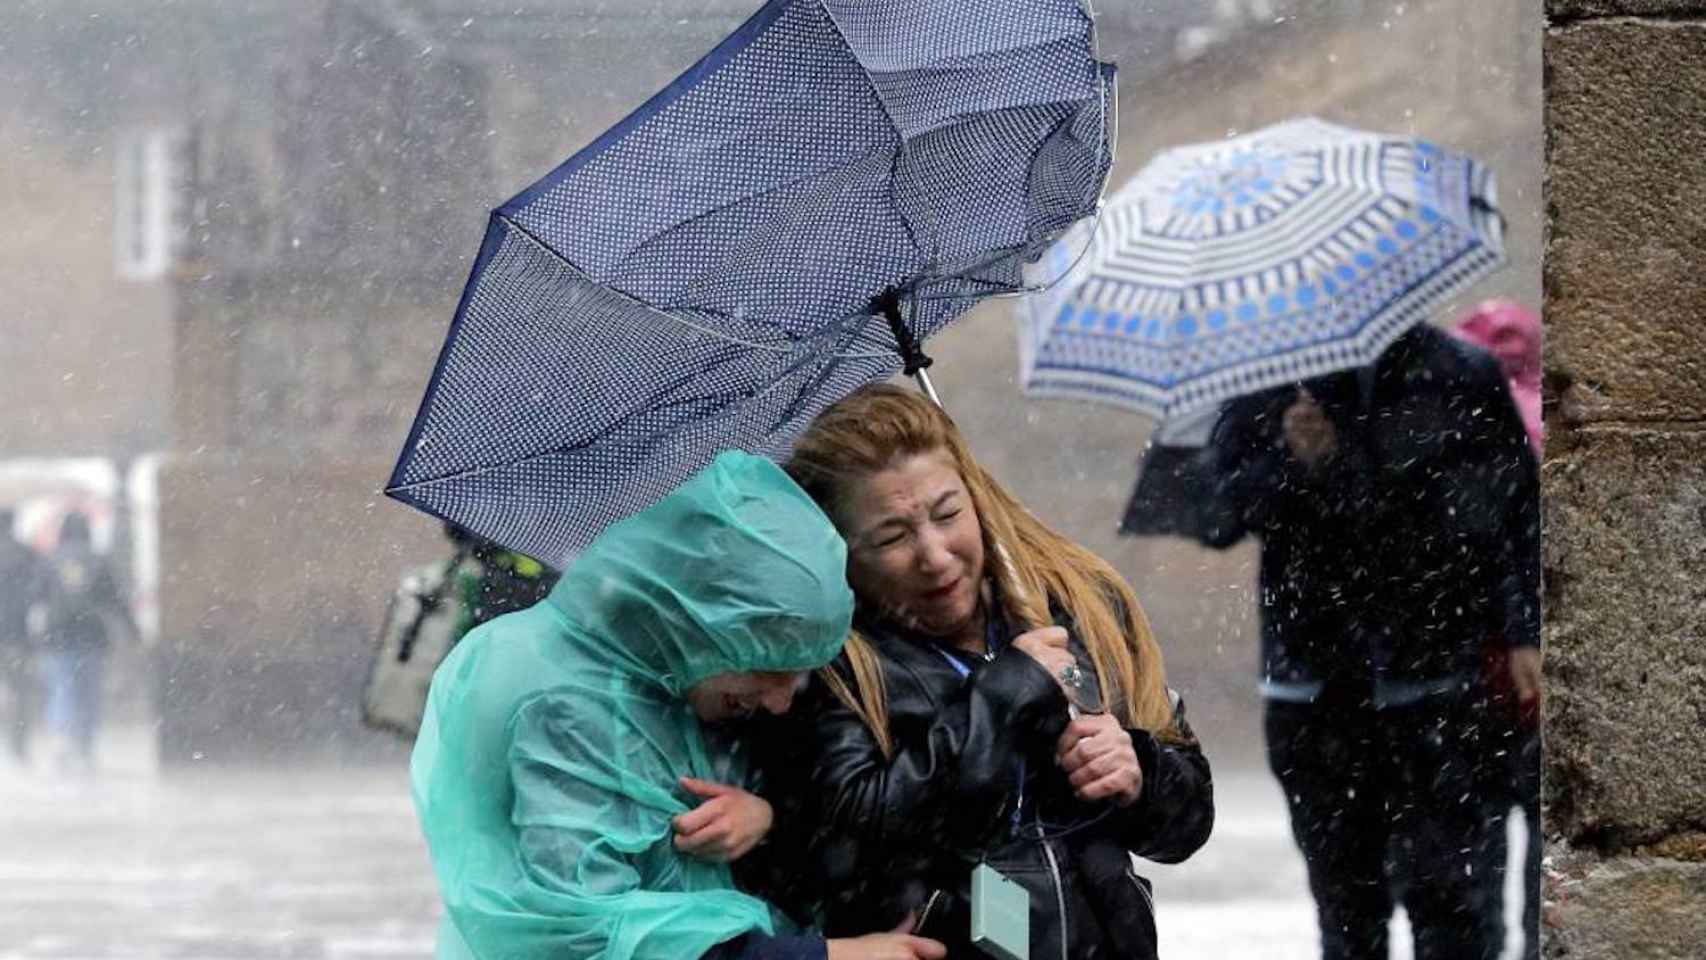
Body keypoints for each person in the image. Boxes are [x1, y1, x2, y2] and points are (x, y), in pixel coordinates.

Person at [411, 451, 946, 960]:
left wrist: (764, 823)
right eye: (769, 669)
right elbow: (585, 936)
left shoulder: (651, 678)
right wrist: (826, 955)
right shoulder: (565, 703)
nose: (781, 701)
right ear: (701, 623)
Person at [766, 384, 1214, 960]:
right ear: (844, 552)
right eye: (893, 536)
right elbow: (846, 843)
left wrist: (1140, 773)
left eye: (947, 513)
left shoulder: (1080, 605)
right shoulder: (833, 667)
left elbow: (1189, 822)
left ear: (976, 497)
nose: (935, 553)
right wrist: (1002, 697)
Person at [1194, 323, 1541, 960]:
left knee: (1457, 917)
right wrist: (1294, 463)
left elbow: (1516, 511)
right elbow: (1216, 516)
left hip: (1440, 687)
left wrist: (1524, 632)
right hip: (1316, 694)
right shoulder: (1264, 381)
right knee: (1349, 919)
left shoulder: (1458, 372)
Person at [1454, 299, 1545, 960]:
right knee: (1550, 845)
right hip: (1543, 671)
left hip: (1464, 675)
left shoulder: (1458, 426)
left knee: (1473, 852)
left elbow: (1485, 547)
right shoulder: (1549, 421)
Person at [38, 511, 135, 772]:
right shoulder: (99, 561)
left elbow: (36, 596)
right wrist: (133, 630)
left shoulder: (50, 561)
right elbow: (115, 600)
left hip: (56, 637)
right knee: (89, 694)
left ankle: (61, 739)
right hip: (91, 636)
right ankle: (86, 745)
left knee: (61, 689)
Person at [0, 508, 50, 765]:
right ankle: (18, 744)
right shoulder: (26, 554)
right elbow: (41, 592)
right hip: (17, 634)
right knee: (19, 690)